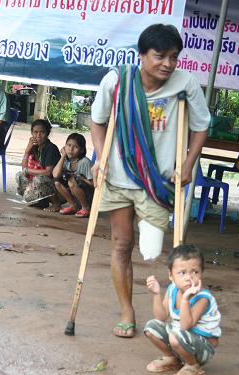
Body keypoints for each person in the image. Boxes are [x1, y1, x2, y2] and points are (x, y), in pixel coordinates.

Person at [90, 23, 211, 338]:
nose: (168, 64)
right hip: (118, 176)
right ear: (141, 55)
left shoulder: (185, 84)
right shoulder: (117, 81)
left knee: (154, 250)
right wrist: (101, 158)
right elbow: (98, 120)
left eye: (174, 57)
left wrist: (188, 163)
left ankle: (172, 309)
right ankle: (127, 312)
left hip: (157, 182)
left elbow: (200, 126)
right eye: (160, 56)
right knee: (121, 244)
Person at [144, 244, 221, 375]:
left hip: (203, 348)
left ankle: (193, 365)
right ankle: (173, 359)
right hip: (181, 339)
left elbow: (186, 326)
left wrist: (185, 298)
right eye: (182, 273)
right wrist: (156, 294)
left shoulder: (203, 298)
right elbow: (161, 317)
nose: (189, 277)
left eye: (195, 272)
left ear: (201, 273)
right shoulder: (172, 289)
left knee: (175, 336)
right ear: (170, 275)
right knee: (151, 327)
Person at [16, 119, 61, 211]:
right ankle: (40, 201)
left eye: (42, 132)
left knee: (39, 178)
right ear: (31, 133)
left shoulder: (50, 148)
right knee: (20, 175)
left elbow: (48, 173)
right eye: (35, 132)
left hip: (56, 185)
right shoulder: (34, 146)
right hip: (42, 186)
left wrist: (27, 170)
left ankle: (56, 203)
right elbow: (23, 168)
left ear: (47, 133)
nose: (38, 136)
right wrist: (27, 151)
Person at [52, 133, 94, 218]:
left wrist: (79, 178)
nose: (71, 149)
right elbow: (55, 175)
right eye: (69, 145)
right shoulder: (66, 160)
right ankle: (73, 205)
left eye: (75, 147)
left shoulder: (85, 162)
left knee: (72, 180)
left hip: (88, 196)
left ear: (81, 150)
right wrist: (63, 156)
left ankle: (86, 208)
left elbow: (94, 184)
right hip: (74, 195)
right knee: (57, 182)